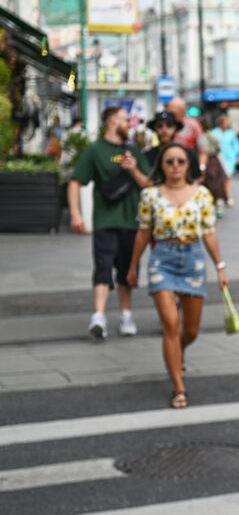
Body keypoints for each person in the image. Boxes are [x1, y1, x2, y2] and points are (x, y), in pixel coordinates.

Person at [126, 142, 227, 409]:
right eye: (169, 162)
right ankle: (178, 387)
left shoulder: (202, 195)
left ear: (188, 165)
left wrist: (220, 266)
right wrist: (133, 266)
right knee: (171, 324)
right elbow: (143, 233)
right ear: (161, 165)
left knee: (190, 330)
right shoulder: (150, 195)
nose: (175, 167)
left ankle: (178, 351)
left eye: (180, 162)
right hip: (163, 260)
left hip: (193, 259)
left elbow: (209, 233)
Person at [66, 105, 153, 339]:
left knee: (127, 271)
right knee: (103, 267)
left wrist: (134, 170)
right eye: (126, 120)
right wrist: (76, 214)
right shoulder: (95, 151)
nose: (130, 124)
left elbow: (148, 184)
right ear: (113, 121)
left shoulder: (134, 152)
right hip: (105, 221)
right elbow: (75, 182)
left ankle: (126, 315)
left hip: (131, 222)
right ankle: (99, 316)